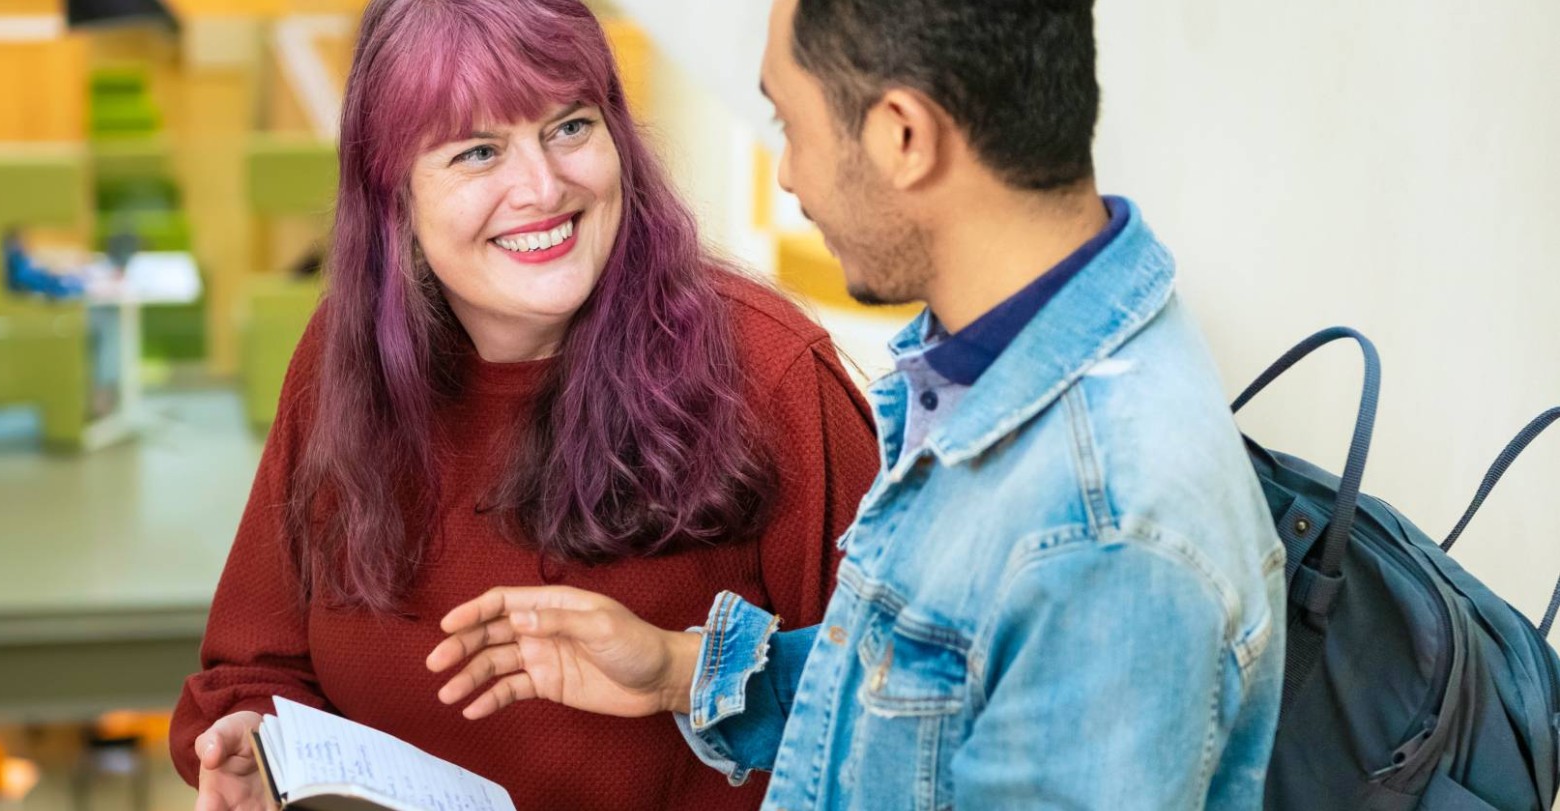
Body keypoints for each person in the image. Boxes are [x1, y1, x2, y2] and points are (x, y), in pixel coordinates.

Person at [430, 0, 1289, 807]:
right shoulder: (995, 365)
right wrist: (678, 670)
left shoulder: (1105, 538)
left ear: (903, 137)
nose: (792, 174)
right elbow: (930, 692)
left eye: (789, 125)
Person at [170, 1, 880, 809]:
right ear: (394, 195)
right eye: (478, 151)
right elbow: (254, 670)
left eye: (570, 126)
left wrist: (687, 672)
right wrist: (251, 741)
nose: (542, 187)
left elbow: (904, 714)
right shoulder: (344, 354)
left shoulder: (769, 372)